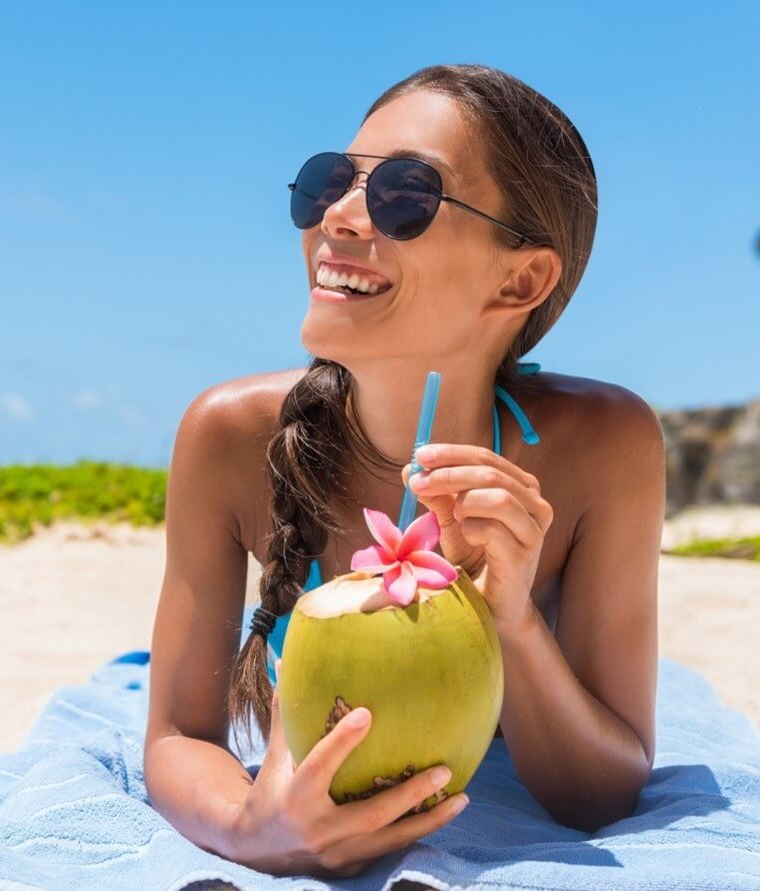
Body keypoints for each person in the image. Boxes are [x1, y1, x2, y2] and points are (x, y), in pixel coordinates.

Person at [143, 63, 665, 881]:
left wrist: (513, 618)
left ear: (520, 277)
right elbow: (178, 735)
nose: (338, 219)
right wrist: (250, 826)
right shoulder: (228, 435)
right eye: (328, 183)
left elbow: (601, 793)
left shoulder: (604, 446)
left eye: (405, 194)